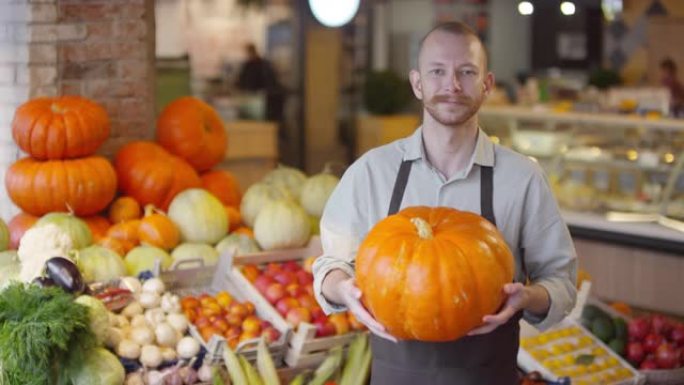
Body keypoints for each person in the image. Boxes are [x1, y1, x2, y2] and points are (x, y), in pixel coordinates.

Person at [312, 21, 577, 385]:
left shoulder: (522, 178)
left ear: (487, 84)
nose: (452, 85)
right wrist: (342, 287)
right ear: (418, 83)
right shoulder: (372, 172)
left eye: (466, 72)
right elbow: (329, 265)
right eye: (437, 71)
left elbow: (561, 282)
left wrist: (528, 297)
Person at [236, 43, 285, 127]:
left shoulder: (261, 64)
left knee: (258, 118)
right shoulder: (251, 64)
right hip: (253, 96)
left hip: (260, 97)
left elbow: (267, 81)